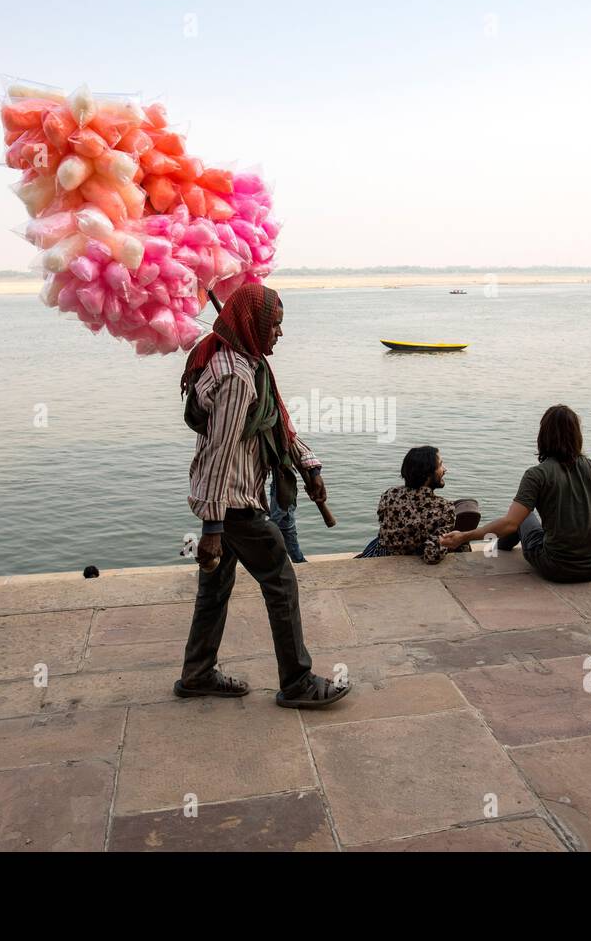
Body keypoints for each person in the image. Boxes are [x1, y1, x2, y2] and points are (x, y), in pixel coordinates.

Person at [177, 284, 349, 709]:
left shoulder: (248, 362)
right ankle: (297, 681)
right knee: (281, 581)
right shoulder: (235, 375)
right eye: (274, 324)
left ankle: (197, 673)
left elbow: (277, 425)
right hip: (233, 503)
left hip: (233, 499)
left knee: (215, 590)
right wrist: (213, 527)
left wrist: (308, 464)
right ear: (253, 323)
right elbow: (220, 451)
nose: (279, 333)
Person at [440, 405, 591, 583]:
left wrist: (464, 536)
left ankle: (500, 549)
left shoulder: (537, 474)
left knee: (523, 517)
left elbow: (510, 524)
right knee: (524, 515)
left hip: (555, 567)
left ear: (543, 435)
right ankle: (502, 546)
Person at [358, 446, 479, 564]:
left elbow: (384, 522)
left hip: (382, 552)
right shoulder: (444, 508)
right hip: (407, 562)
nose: (445, 469)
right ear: (427, 474)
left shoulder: (389, 494)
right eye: (441, 465)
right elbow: (432, 556)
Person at [268, 470, 305, 563]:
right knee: (291, 549)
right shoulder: (278, 479)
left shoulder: (283, 478)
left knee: (294, 551)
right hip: (282, 520)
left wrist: (270, 524)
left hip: (284, 522)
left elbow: (284, 508)